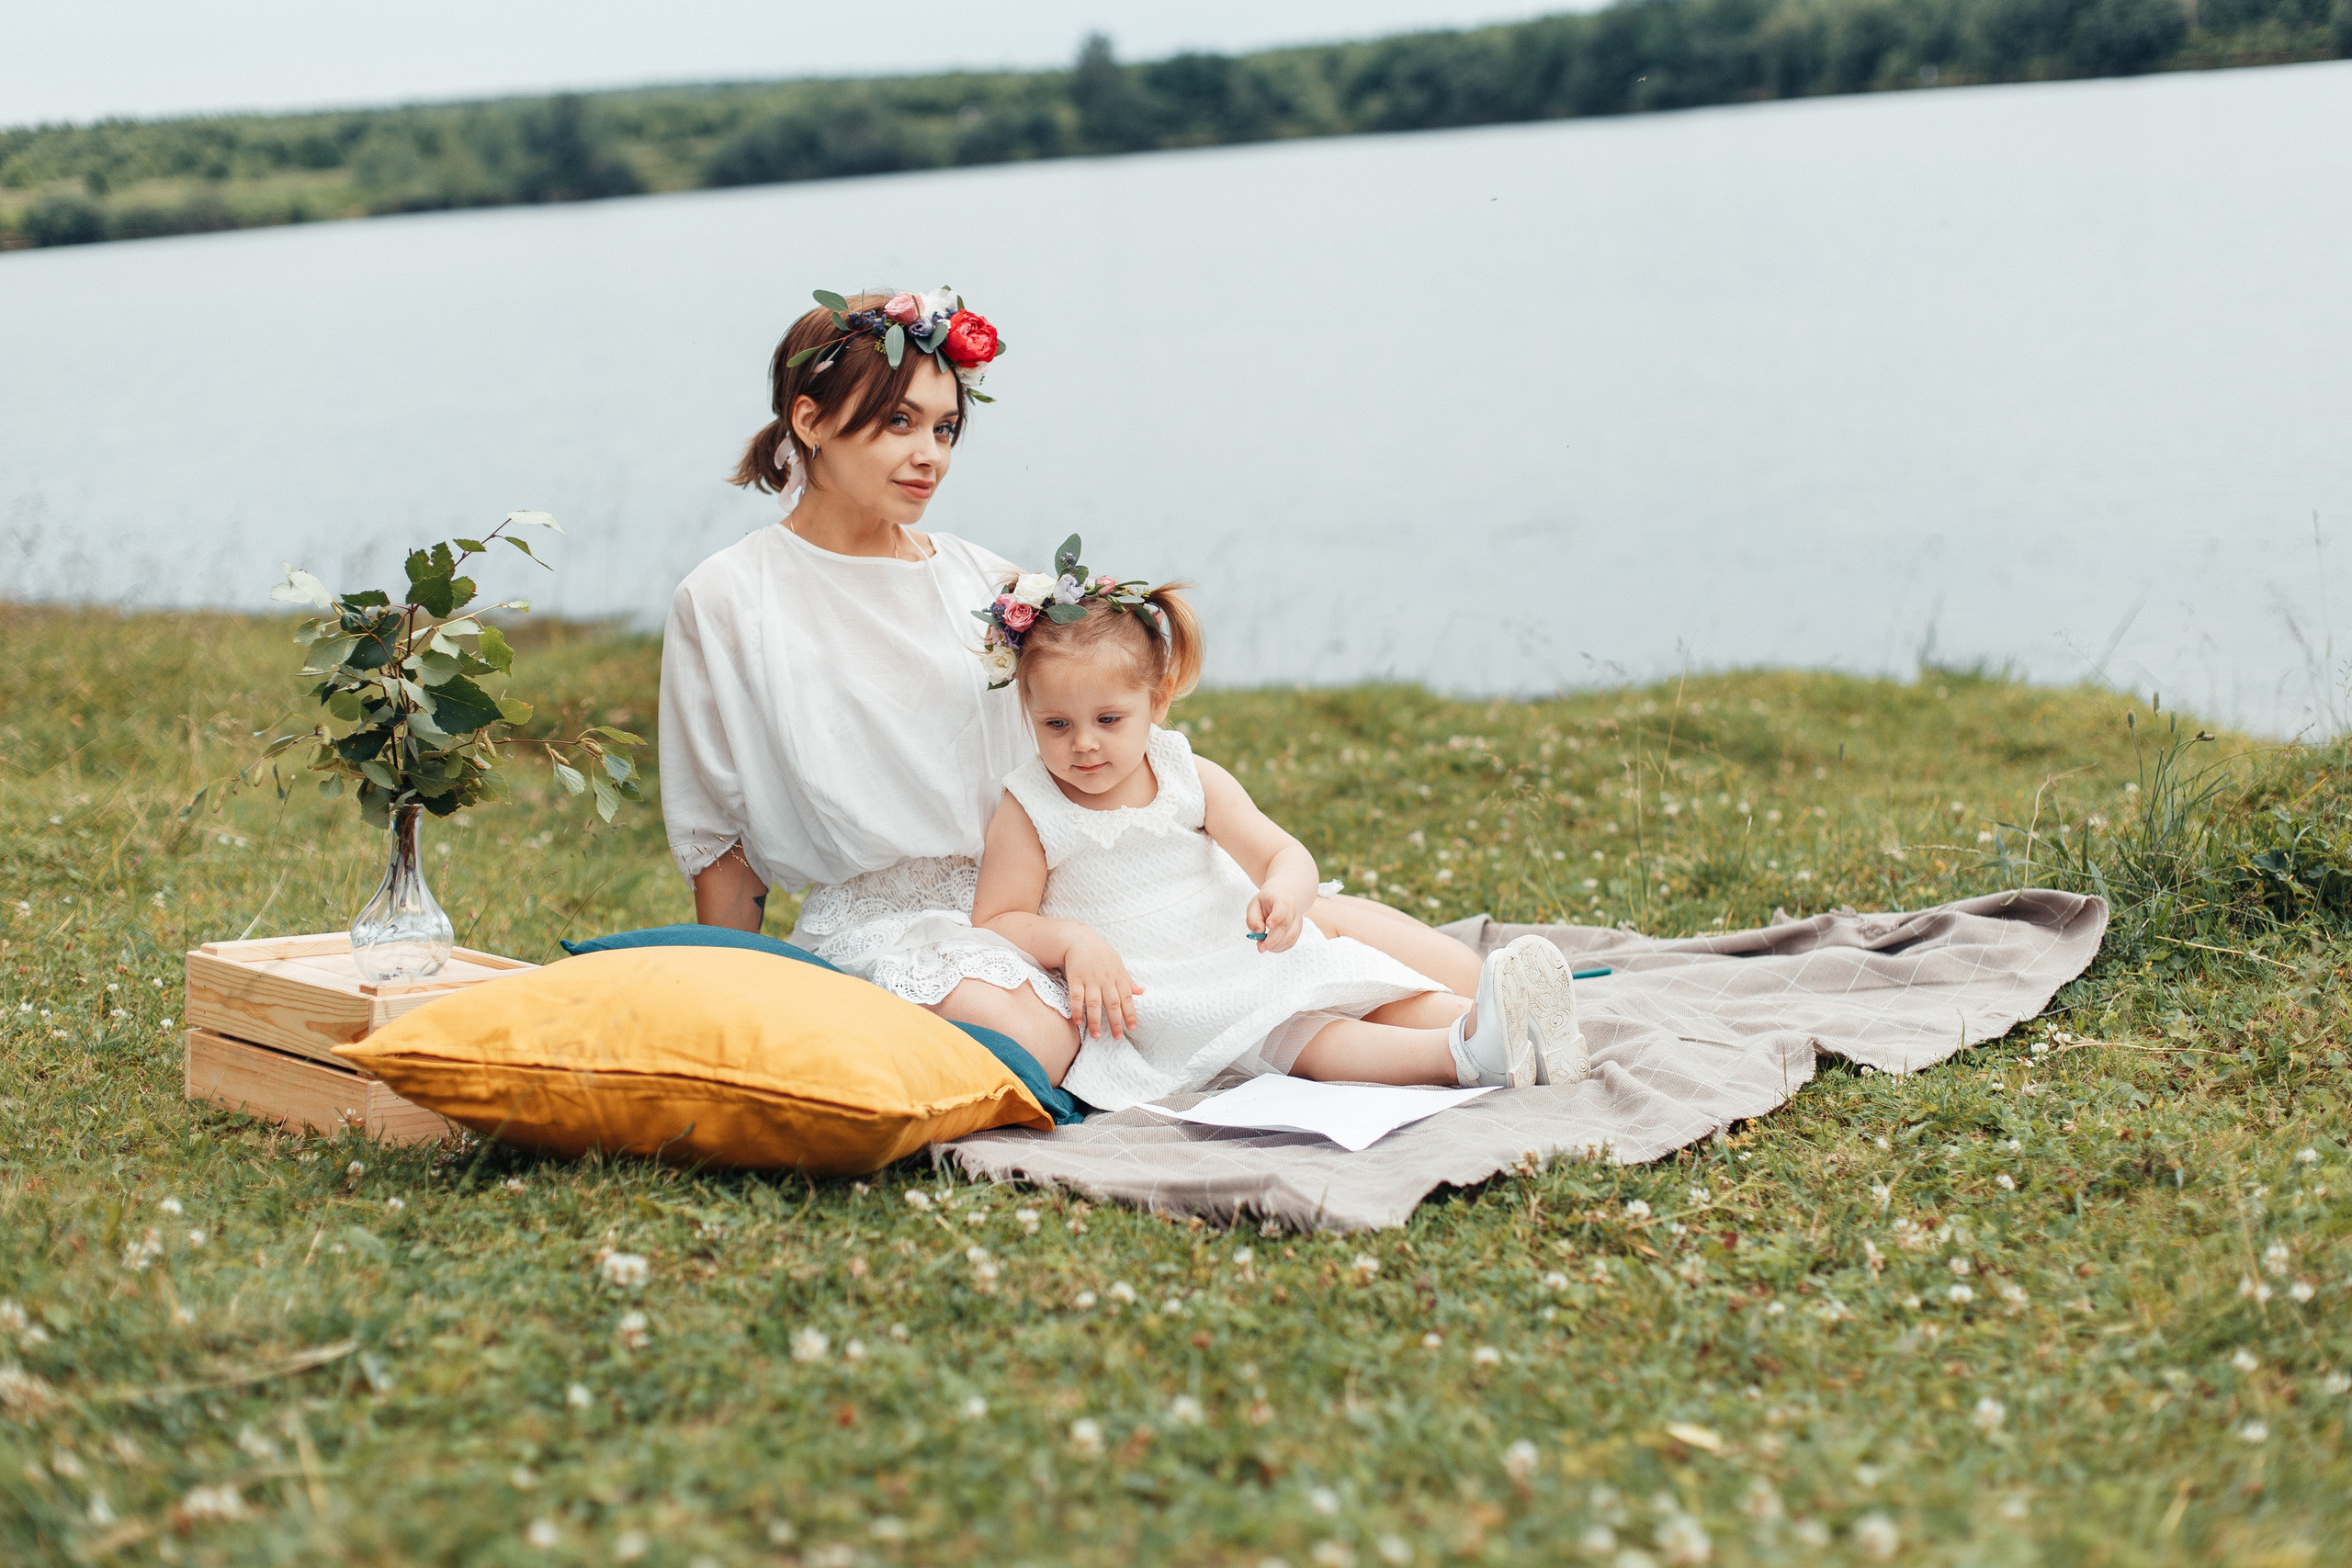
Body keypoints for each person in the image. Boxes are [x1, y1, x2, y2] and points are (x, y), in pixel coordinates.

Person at [660, 288, 1488, 1086]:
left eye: (945, 428)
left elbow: (1105, 692)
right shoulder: (728, 598)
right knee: (1045, 1037)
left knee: (1432, 962)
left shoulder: (983, 581)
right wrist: (732, 1004)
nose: (930, 455)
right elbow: (719, 835)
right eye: (898, 422)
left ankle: (1490, 1021)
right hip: (895, 918)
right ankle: (1422, 1041)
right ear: (809, 420)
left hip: (1066, 883)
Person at [964, 543, 1589, 1110]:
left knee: (1365, 987)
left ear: (1157, 701)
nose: (1083, 744)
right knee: (1308, 1035)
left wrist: (1286, 892)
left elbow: (1279, 852)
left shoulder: (1182, 772)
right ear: (1029, 710)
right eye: (1056, 725)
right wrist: (1072, 942)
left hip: (1241, 946)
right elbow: (996, 918)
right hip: (1169, 986)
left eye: (1108, 720)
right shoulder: (1031, 806)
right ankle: (1464, 1056)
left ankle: (1502, 1022)